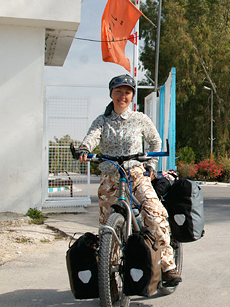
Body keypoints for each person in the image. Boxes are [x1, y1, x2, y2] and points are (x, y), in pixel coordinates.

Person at [76, 74, 181, 286]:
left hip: (136, 175)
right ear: (111, 94)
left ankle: (168, 266)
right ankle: (110, 281)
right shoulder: (102, 121)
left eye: (127, 92)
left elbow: (154, 141)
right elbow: (92, 137)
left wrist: (150, 165)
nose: (122, 96)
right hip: (110, 178)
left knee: (154, 212)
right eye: (118, 91)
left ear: (132, 96)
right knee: (108, 229)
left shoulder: (140, 118)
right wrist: (85, 148)